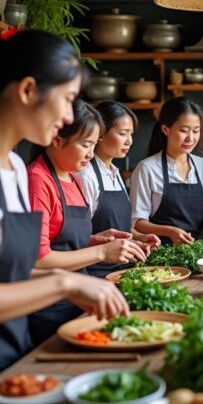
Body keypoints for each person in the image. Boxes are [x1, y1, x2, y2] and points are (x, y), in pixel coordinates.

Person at [0, 29, 128, 404]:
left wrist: (80, 285)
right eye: (67, 100)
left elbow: (5, 271)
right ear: (28, 90)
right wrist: (65, 284)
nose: (68, 116)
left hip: (7, 364)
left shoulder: (13, 166)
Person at [27, 99, 145, 344]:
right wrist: (101, 251)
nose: (91, 154)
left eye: (93, 145)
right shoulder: (37, 181)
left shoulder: (73, 178)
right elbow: (39, 258)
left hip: (81, 297)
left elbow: (65, 240)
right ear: (57, 140)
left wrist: (99, 239)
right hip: (50, 307)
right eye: (86, 145)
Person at [130, 97, 203, 245]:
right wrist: (170, 231)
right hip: (160, 254)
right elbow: (137, 222)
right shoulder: (147, 168)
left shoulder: (202, 165)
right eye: (184, 131)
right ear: (165, 129)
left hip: (198, 252)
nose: (191, 138)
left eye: (196, 131)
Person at [77, 101, 160, 277]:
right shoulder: (86, 175)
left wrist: (138, 237)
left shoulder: (115, 172)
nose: (129, 141)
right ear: (100, 134)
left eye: (131, 134)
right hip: (96, 273)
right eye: (123, 133)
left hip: (123, 270)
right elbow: (79, 234)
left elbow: (117, 226)